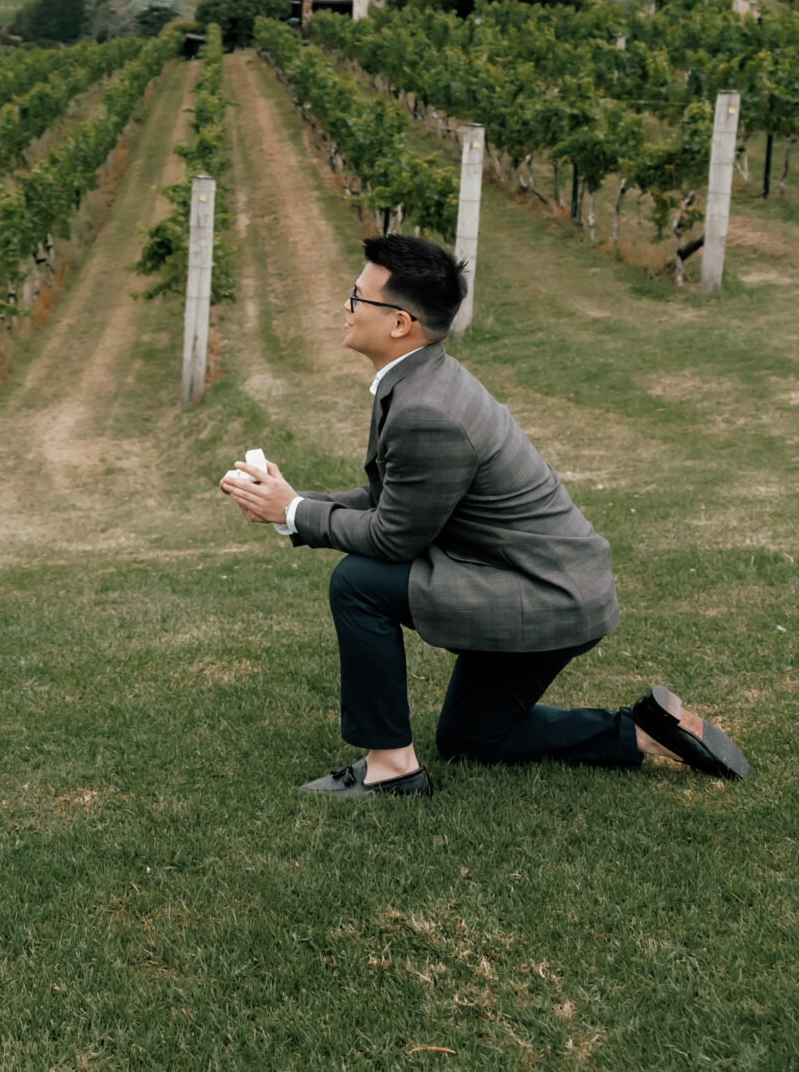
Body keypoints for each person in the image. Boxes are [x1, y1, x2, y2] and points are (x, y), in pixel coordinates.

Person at [218, 233, 749, 797]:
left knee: (358, 582)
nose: (344, 308)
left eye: (356, 297)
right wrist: (293, 505)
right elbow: (399, 498)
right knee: (473, 737)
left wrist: (297, 513)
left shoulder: (426, 409)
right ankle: (644, 730)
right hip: (546, 580)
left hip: (544, 591)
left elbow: (393, 537)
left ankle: (391, 769)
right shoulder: (422, 380)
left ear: (400, 322)